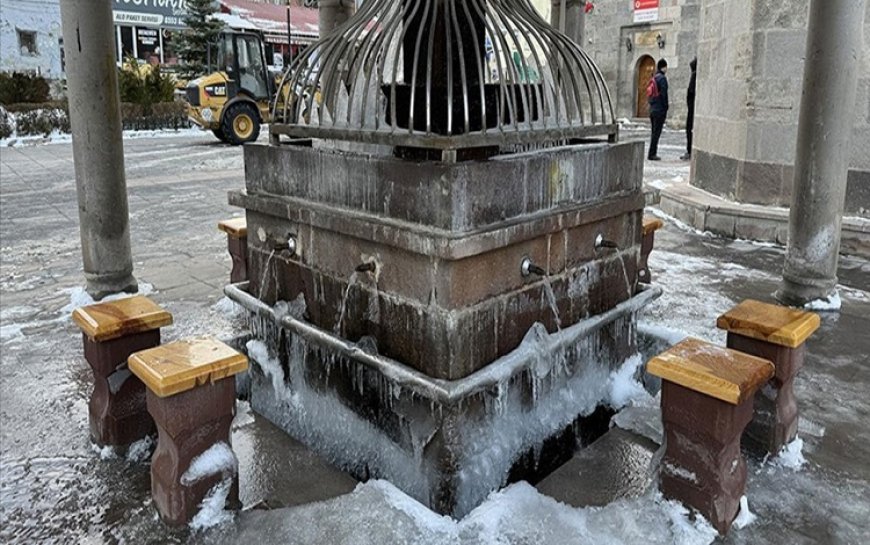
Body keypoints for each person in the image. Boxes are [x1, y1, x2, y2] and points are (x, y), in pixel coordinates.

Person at [648, 58, 669, 161]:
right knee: (657, 133)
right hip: (659, 109)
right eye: (666, 67)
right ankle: (652, 154)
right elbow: (664, 94)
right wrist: (666, 107)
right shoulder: (662, 79)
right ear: (663, 67)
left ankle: (652, 152)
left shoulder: (654, 78)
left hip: (652, 109)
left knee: (653, 132)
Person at [681, 57, 697, 161]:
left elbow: (691, 92)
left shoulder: (694, 76)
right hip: (692, 108)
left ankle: (690, 150)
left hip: (692, 109)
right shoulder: (696, 75)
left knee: (689, 129)